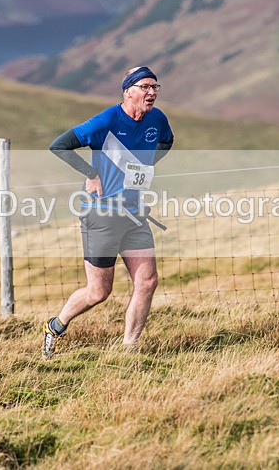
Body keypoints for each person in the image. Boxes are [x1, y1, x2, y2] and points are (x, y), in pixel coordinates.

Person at [42, 66, 174, 359]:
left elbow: (167, 141)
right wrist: (92, 174)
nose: (151, 92)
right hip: (100, 213)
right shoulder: (108, 120)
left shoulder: (157, 119)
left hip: (134, 213)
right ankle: (55, 326)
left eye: (155, 87)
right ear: (128, 91)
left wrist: (146, 164)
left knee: (148, 281)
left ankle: (130, 349)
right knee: (99, 293)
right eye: (144, 87)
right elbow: (59, 145)